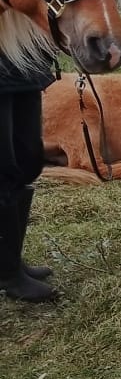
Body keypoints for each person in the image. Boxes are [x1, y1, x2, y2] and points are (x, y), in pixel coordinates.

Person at [0, 42, 58, 301]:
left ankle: (12, 258)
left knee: (29, 160)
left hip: (26, 67)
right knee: (3, 167)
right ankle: (7, 273)